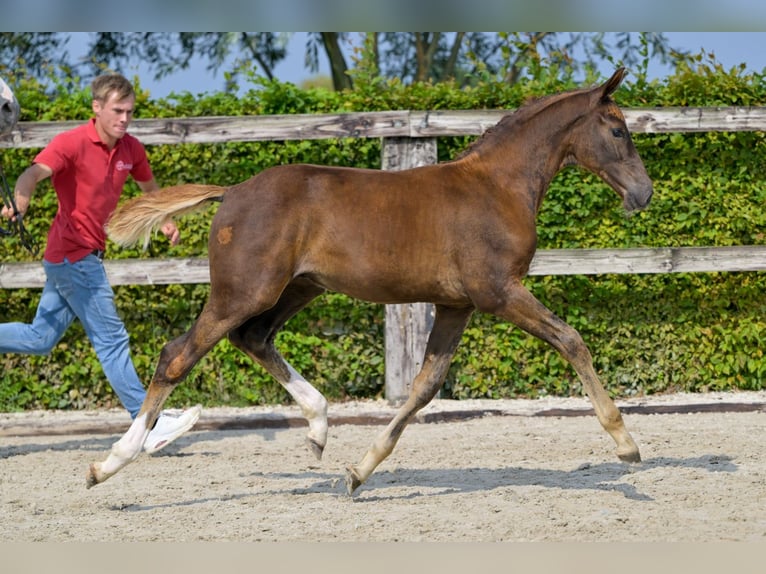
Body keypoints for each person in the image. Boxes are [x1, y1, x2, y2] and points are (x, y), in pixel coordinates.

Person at [0, 73, 200, 453]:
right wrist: (21, 199)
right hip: (75, 258)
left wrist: (165, 220)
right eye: (117, 111)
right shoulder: (71, 143)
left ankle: (146, 422)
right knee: (112, 341)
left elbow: (149, 192)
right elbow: (33, 173)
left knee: (40, 338)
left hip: (69, 258)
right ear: (97, 108)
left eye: (129, 112)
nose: (124, 119)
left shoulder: (131, 150)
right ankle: (148, 424)